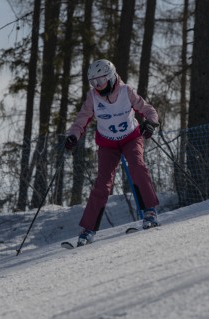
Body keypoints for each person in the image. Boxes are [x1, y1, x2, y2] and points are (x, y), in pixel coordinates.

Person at [65, 59, 160, 247]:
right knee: (102, 183)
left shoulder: (126, 91)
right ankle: (88, 230)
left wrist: (150, 123)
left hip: (130, 138)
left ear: (110, 77)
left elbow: (149, 110)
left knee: (137, 167)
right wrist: (73, 136)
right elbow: (81, 120)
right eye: (93, 83)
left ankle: (149, 211)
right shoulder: (93, 97)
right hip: (107, 144)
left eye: (100, 81)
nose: (97, 86)